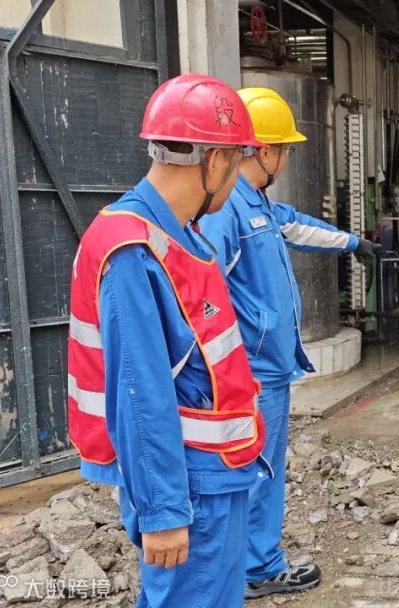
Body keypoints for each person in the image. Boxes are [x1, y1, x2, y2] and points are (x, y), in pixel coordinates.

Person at [67, 74, 266, 608]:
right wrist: (163, 513)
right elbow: (139, 393)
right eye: (237, 162)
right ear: (215, 162)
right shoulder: (133, 250)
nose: (235, 179)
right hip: (192, 486)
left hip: (213, 472)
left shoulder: (175, 235)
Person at [197, 87, 380, 599]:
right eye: (285, 149)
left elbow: (296, 225)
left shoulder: (253, 201)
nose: (287, 159)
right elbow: (203, 294)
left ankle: (245, 560)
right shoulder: (225, 211)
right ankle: (258, 567)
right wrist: (228, 366)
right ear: (263, 150)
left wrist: (354, 243)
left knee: (263, 465)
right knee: (259, 468)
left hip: (267, 366)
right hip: (251, 371)